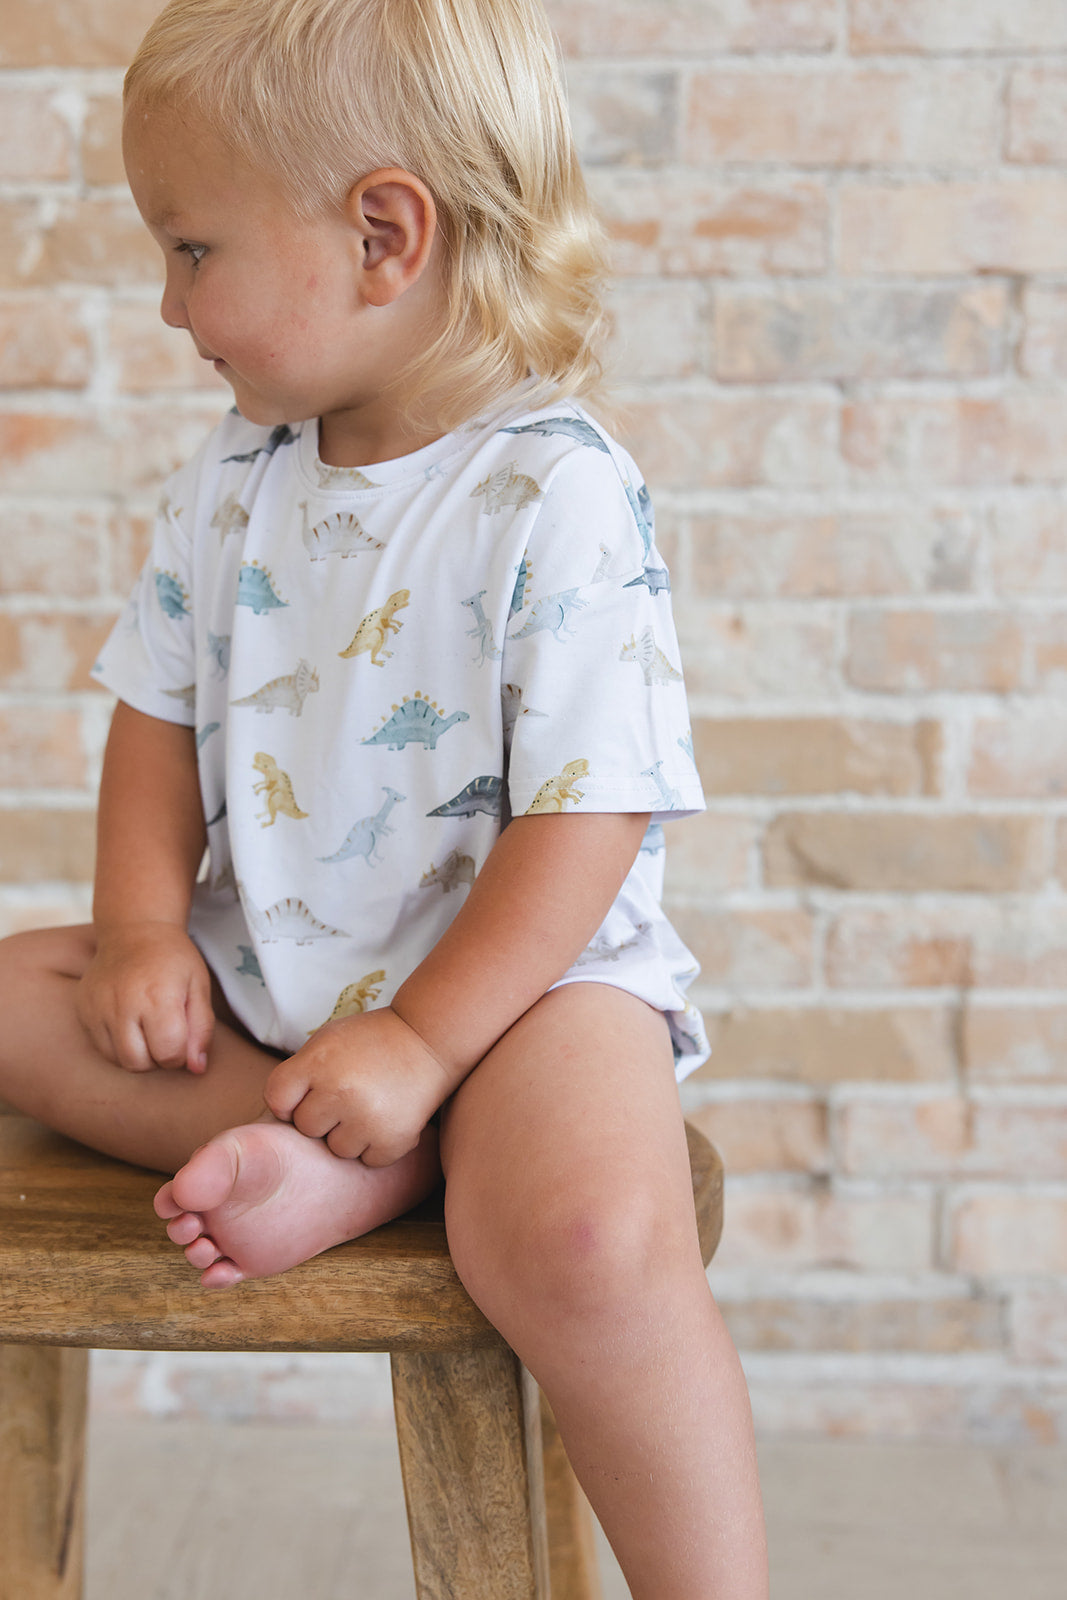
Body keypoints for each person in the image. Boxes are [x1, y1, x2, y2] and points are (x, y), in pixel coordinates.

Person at [0, 1, 768, 1592]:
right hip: (280, 978)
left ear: (381, 237)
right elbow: (157, 718)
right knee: (15, 1000)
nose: (166, 305)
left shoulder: (553, 488)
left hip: (527, 993)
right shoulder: (232, 478)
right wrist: (142, 931)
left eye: (192, 251)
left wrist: (425, 1042)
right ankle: (376, 1154)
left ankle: (417, 1148)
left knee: (588, 1246)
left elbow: (588, 814)